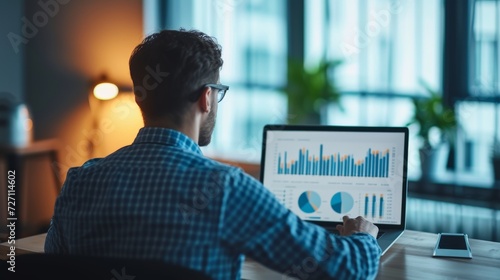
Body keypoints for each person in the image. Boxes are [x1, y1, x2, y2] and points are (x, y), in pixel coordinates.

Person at [45, 29, 381, 280]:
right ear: (206, 98)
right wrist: (363, 237)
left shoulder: (79, 182)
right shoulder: (225, 188)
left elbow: (55, 268)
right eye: (218, 93)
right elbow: (346, 270)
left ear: (140, 98)